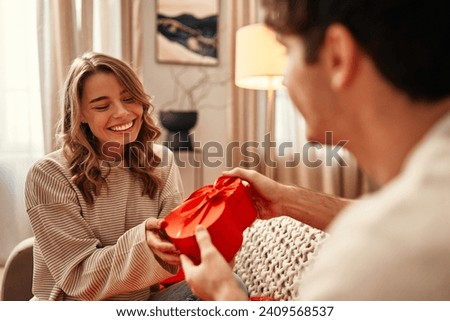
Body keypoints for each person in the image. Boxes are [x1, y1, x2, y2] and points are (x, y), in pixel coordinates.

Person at [180, 0, 450, 300]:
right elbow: (404, 219)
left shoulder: (373, 259)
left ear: (337, 55)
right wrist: (287, 199)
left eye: (286, 51)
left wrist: (224, 294)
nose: (284, 78)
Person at [24, 52, 197, 300]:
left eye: (129, 99)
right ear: (80, 114)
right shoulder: (48, 174)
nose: (122, 113)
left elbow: (174, 249)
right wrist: (143, 244)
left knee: (226, 286)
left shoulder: (163, 162)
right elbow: (78, 278)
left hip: (142, 303)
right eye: (102, 106)